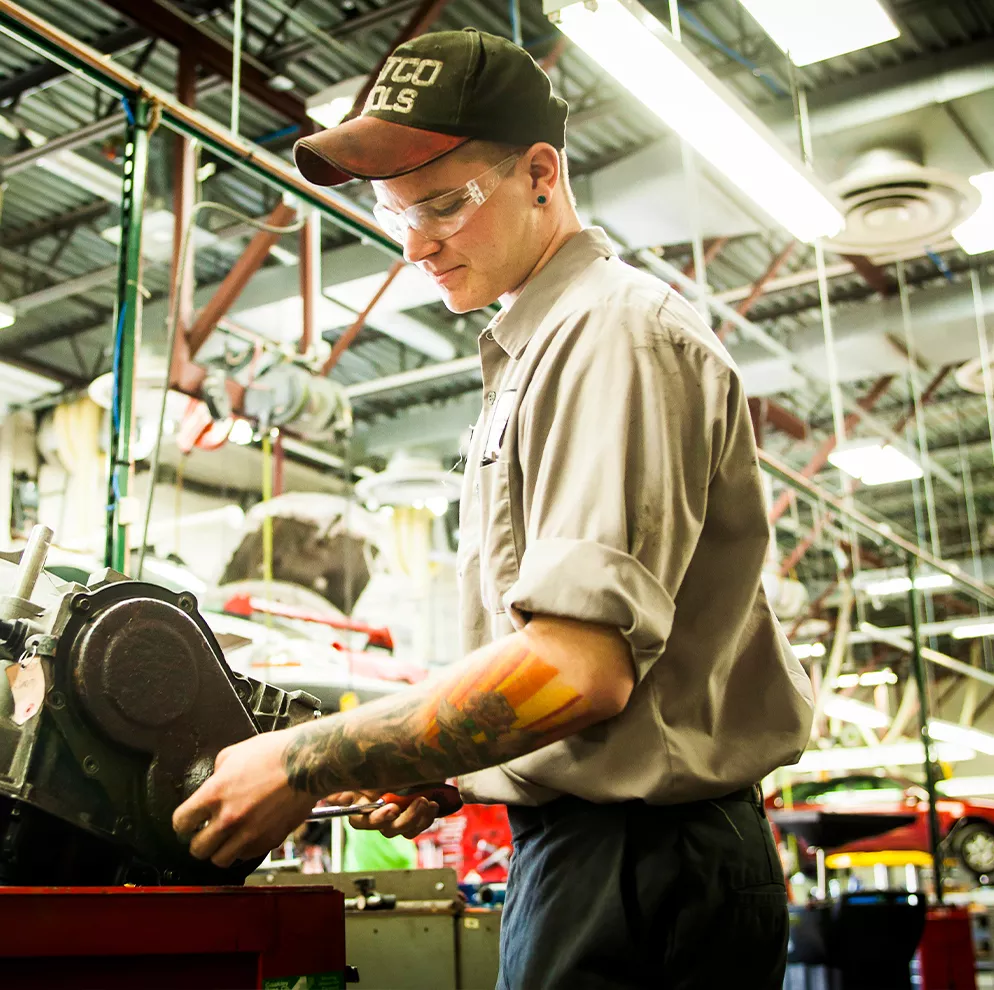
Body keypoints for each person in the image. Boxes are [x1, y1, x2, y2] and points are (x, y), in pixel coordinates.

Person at [173, 27, 814, 989]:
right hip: (594, 856)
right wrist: (447, 766)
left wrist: (298, 761)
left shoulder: (612, 338)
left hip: (644, 868)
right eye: (397, 213)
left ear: (541, 174)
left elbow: (577, 672)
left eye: (443, 203)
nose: (416, 243)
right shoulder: (539, 350)